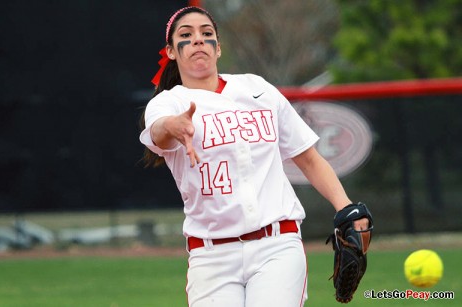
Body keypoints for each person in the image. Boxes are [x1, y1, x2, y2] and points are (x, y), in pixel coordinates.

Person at [139, 6, 370, 307]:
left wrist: (346, 209)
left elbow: (308, 158)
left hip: (277, 245)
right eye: (186, 35)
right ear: (171, 51)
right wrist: (173, 125)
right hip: (211, 256)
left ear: (218, 48)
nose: (198, 40)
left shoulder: (257, 90)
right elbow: (157, 130)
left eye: (206, 34)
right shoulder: (169, 102)